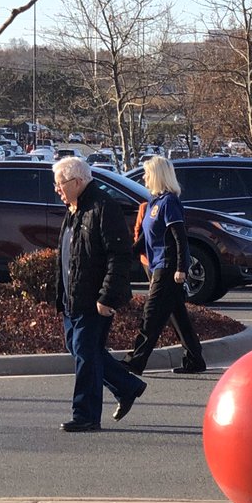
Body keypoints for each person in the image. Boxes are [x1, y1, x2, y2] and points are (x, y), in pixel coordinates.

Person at [52, 156, 146, 431]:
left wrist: (106, 296)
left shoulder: (103, 208)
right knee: (80, 348)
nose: (57, 189)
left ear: (77, 182)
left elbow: (119, 257)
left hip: (94, 299)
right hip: (73, 297)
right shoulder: (73, 209)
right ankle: (127, 386)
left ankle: (85, 416)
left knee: (85, 352)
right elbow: (69, 257)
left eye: (60, 184)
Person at [124, 156, 205, 377]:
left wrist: (181, 267)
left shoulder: (169, 202)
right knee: (178, 316)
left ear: (158, 175)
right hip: (156, 264)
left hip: (168, 267)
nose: (144, 177)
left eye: (147, 173)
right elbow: (146, 239)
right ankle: (195, 360)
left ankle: (134, 362)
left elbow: (180, 237)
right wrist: (127, 254)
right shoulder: (153, 202)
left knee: (151, 314)